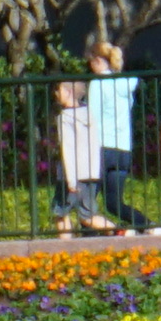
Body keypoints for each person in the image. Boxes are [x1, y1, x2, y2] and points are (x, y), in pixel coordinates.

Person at [46, 38, 117, 235]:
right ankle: (121, 232)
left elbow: (68, 149)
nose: (56, 94)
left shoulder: (65, 118)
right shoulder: (89, 114)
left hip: (72, 174)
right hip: (91, 172)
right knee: (88, 215)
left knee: (61, 212)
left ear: (68, 92)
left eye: (59, 90)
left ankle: (66, 247)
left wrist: (70, 180)